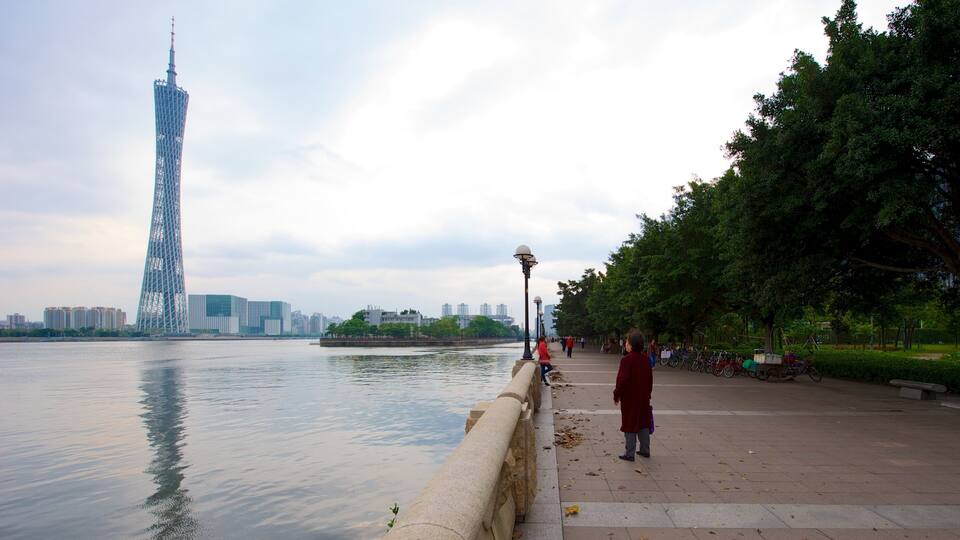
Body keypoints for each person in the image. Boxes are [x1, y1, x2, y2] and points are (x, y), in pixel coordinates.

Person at [613, 330, 653, 461]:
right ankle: (645, 450)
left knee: (629, 423)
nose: (625, 344)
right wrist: (648, 394)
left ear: (631, 345)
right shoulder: (646, 360)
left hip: (630, 398)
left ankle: (630, 453)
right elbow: (650, 380)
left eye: (627, 342)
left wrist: (617, 395)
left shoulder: (626, 360)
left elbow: (622, 380)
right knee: (643, 422)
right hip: (643, 397)